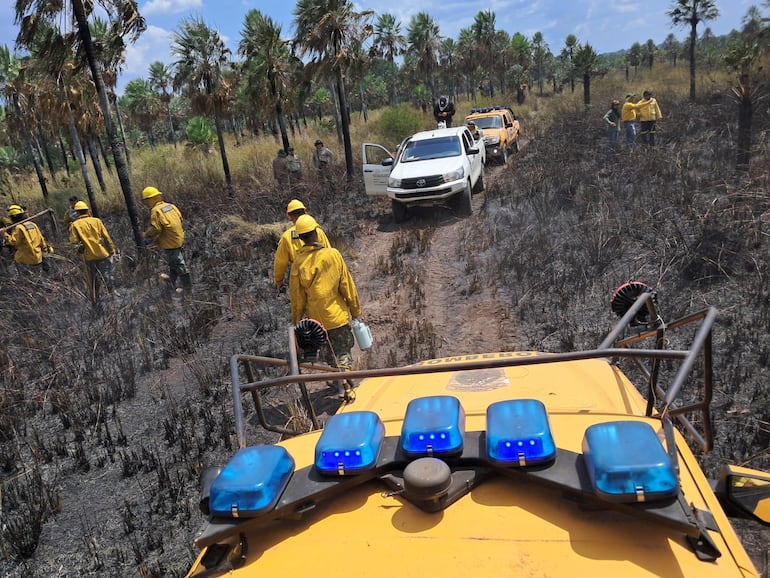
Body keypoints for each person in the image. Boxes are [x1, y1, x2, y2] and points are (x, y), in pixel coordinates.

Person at [289, 214, 362, 374]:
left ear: (300, 237)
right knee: (343, 353)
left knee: (330, 355)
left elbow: (297, 299)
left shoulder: (298, 264)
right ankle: (346, 384)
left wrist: (297, 322)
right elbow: (347, 285)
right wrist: (355, 311)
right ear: (316, 232)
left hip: (317, 324)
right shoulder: (333, 255)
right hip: (338, 318)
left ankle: (339, 379)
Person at [141, 186, 192, 294]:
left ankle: (187, 289)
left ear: (150, 199)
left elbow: (156, 228)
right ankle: (171, 281)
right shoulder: (170, 206)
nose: (146, 203)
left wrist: (146, 235)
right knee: (172, 261)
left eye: (146, 200)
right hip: (179, 237)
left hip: (171, 242)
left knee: (178, 263)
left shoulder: (155, 211)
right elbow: (180, 218)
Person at [274, 199, 331, 288]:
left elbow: (280, 263)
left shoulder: (287, 237)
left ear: (289, 216)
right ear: (305, 211)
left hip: (302, 280)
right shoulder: (317, 231)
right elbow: (329, 253)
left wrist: (279, 281)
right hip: (321, 276)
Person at [69, 200, 118, 302]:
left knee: (93, 281)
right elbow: (107, 238)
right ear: (87, 210)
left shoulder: (75, 225)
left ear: (77, 212)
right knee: (107, 277)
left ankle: (96, 300)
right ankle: (114, 296)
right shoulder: (97, 221)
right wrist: (112, 251)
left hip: (88, 258)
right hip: (102, 254)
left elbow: (74, 243)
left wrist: (79, 253)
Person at [1, 204, 53, 273]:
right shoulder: (32, 224)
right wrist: (45, 250)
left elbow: (13, 242)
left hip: (26, 259)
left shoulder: (18, 228)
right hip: (37, 257)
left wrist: (4, 234)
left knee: (14, 268)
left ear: (13, 217)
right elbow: (41, 240)